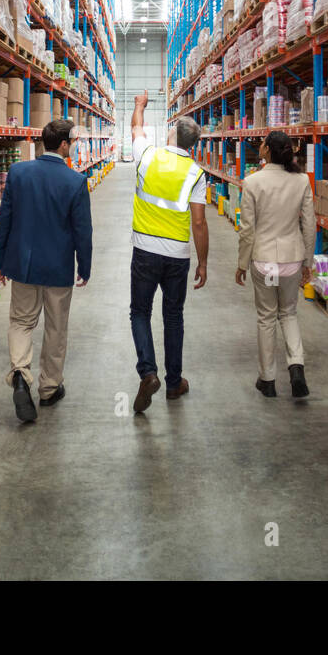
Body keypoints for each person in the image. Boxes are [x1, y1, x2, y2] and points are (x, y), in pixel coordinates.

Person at [0, 119, 93, 423]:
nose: (72, 146)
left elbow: (5, 218)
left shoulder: (19, 173)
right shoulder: (74, 181)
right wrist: (84, 266)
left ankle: (21, 374)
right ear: (63, 145)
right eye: (72, 142)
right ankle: (49, 388)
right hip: (57, 268)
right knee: (55, 327)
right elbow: (82, 231)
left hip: (23, 265)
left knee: (21, 321)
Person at [128, 90, 208, 413]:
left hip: (145, 251)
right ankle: (174, 383)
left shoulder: (148, 155)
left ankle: (148, 372)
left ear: (172, 135)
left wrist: (138, 106)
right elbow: (199, 223)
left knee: (140, 312)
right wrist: (203, 262)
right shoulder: (196, 173)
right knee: (173, 316)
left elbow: (136, 129)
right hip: (178, 256)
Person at [235, 131, 315, 399]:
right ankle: (296, 368)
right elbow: (309, 225)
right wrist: (308, 261)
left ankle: (268, 379)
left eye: (262, 144)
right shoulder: (302, 180)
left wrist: (242, 264)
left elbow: (247, 229)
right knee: (289, 313)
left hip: (265, 262)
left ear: (267, 150)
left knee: (267, 317)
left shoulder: (252, 182)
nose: (259, 146)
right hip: (291, 261)